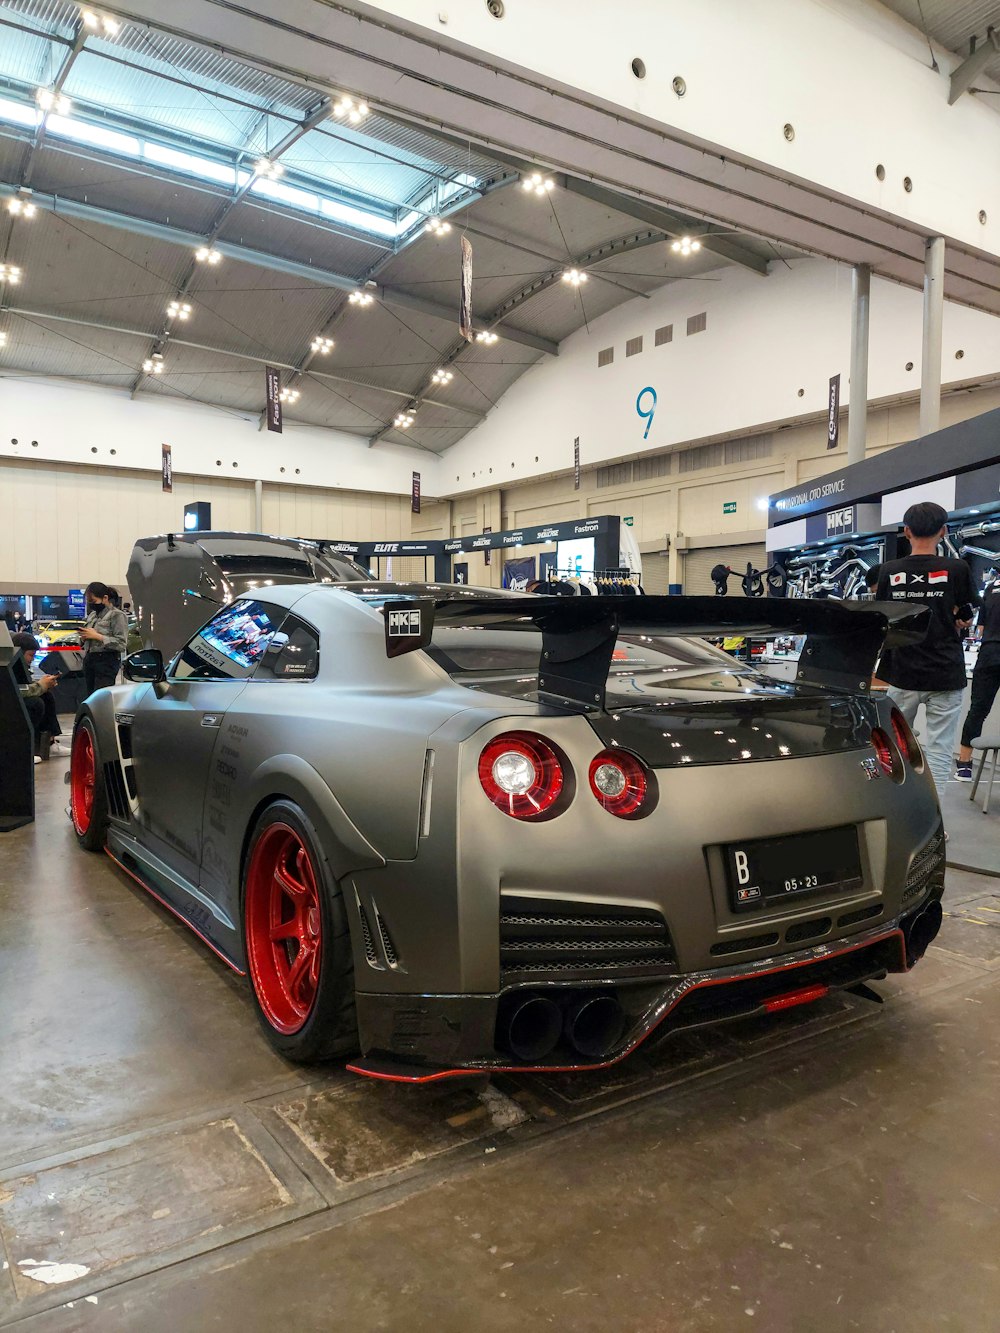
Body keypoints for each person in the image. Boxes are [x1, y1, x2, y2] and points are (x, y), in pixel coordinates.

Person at [875, 501, 979, 794]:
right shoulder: (957, 568)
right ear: (943, 531)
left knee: (894, 747)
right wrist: (958, 621)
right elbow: (966, 615)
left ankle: (896, 812)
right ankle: (935, 821)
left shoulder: (888, 571)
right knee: (939, 750)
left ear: (906, 531)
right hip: (945, 671)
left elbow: (881, 616)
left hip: (902, 670)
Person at [955, 577, 1000, 781]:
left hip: (989, 653)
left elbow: (980, 629)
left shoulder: (991, 587)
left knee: (978, 710)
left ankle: (964, 765)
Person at [12, 632, 66, 763]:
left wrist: (43, 685)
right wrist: (40, 686)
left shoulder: (20, 667)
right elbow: (15, 690)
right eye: (31, 655)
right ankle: (24, 749)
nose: (32, 659)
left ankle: (49, 742)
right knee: (35, 703)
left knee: (46, 696)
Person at [80, 580, 128, 696]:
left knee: (101, 698)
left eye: (93, 601)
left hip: (106, 662)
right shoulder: (92, 615)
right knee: (89, 697)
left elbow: (121, 643)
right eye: (88, 601)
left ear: (105, 598)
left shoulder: (117, 615)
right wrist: (83, 638)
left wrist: (98, 636)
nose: (91, 604)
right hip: (90, 659)